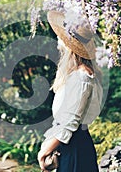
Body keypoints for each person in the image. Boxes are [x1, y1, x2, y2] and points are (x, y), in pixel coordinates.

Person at [38, 10, 103, 172]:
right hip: (72, 146)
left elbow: (70, 122)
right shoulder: (77, 74)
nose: (58, 39)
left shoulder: (81, 77)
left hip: (75, 148)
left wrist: (44, 151)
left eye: (61, 37)